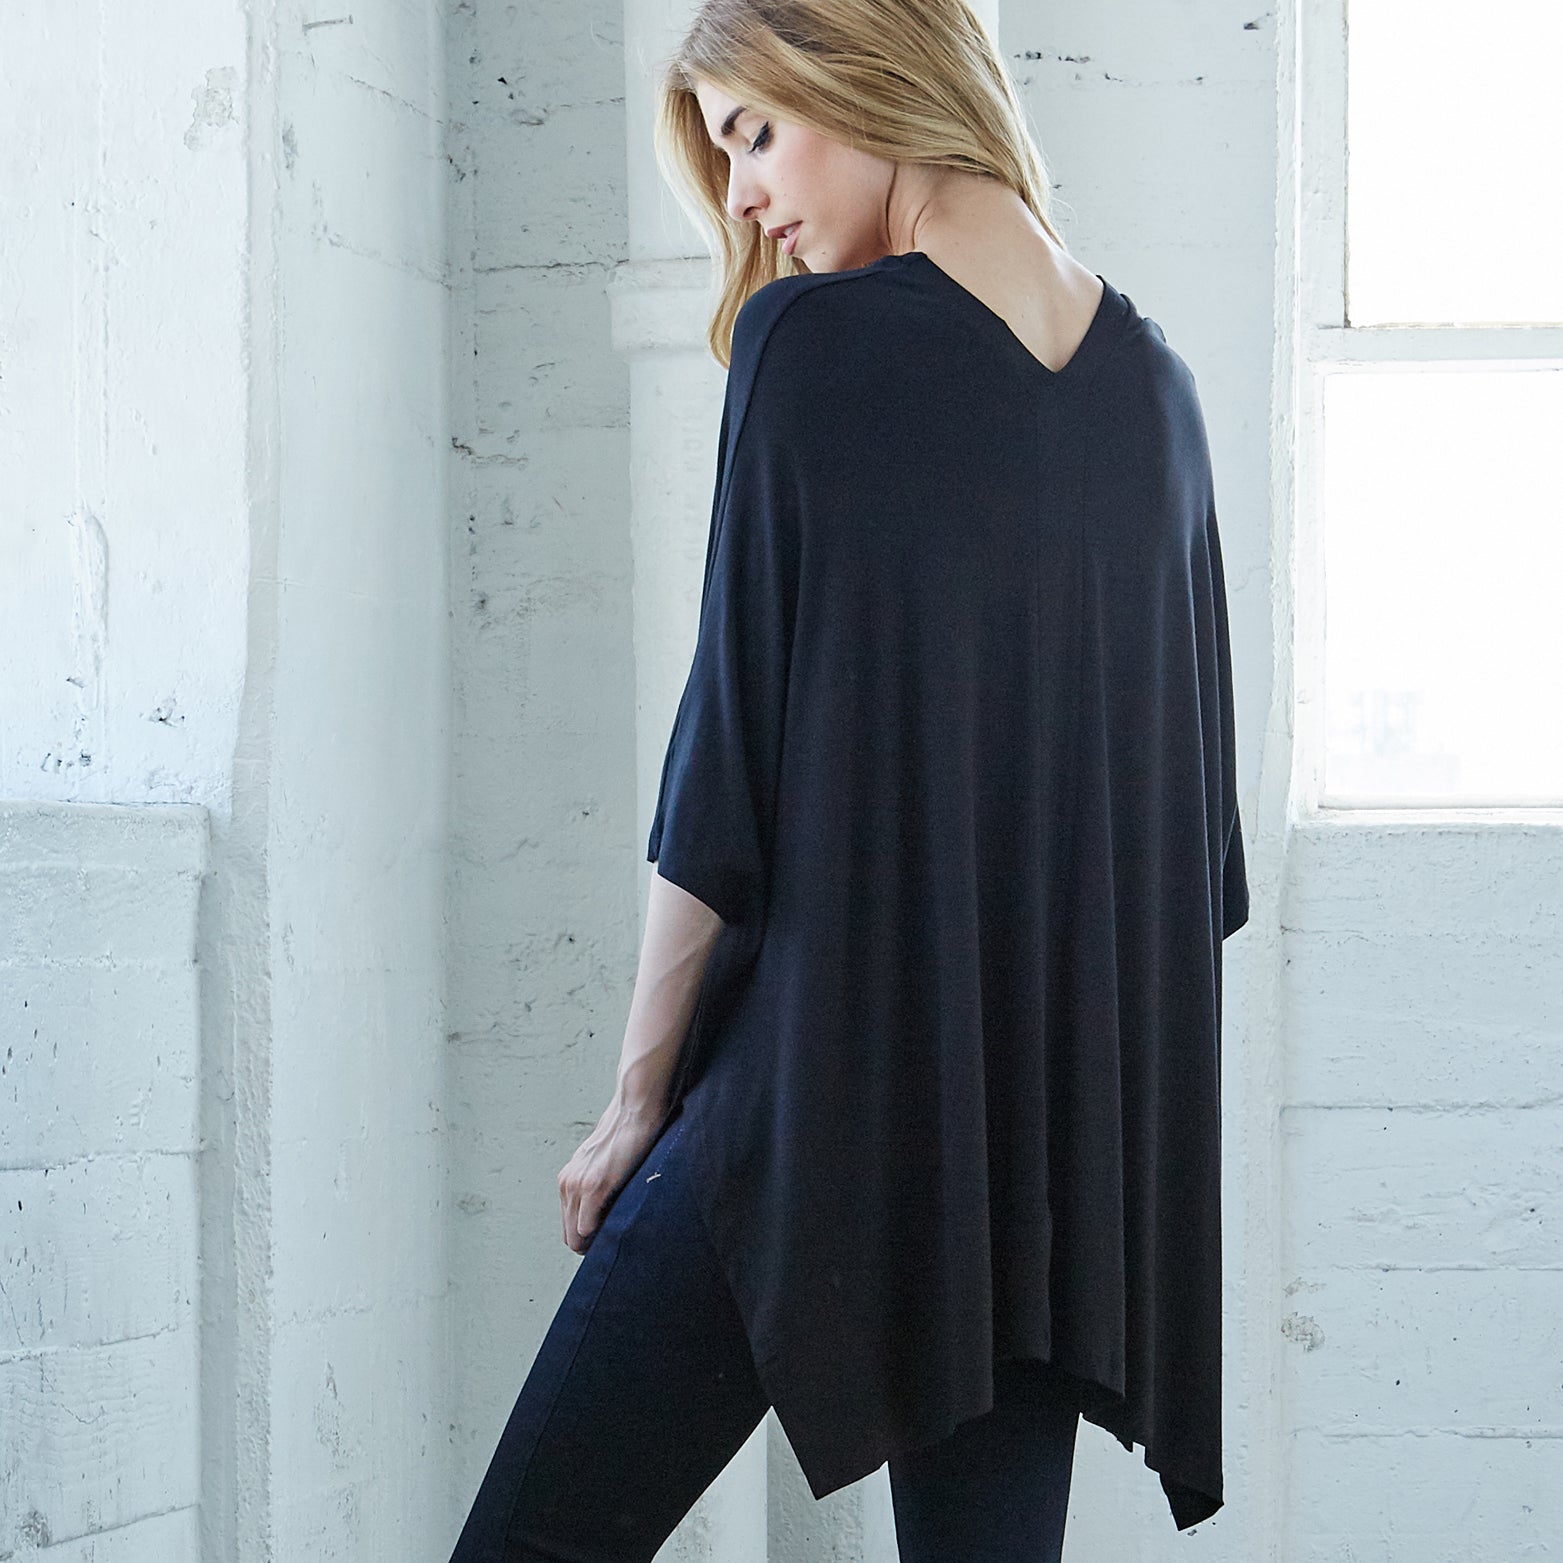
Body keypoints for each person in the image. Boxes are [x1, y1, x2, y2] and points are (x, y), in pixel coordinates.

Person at [447, 2, 1250, 1559]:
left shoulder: (809, 349)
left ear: (872, 74)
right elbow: (1188, 859)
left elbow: (724, 771)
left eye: (755, 134)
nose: (744, 196)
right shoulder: (1160, 396)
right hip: (1031, 1171)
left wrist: (635, 1103)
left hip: (810, 1110)